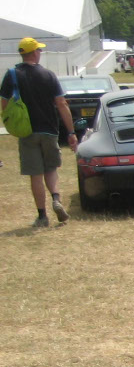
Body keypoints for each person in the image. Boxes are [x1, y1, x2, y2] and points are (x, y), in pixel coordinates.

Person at [1, 37, 78, 228]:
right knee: (50, 169)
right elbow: (61, 104)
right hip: (49, 130)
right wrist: (71, 132)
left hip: (27, 131)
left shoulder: (11, 75)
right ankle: (56, 198)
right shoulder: (49, 75)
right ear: (34, 53)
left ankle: (42, 216)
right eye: (39, 51)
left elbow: (4, 104)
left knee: (35, 174)